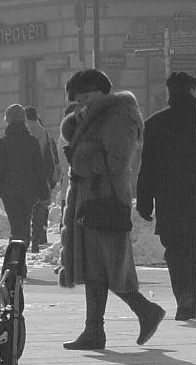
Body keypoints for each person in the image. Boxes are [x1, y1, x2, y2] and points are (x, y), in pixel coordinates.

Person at [59, 69, 165, 350]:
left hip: (106, 200)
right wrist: (77, 128)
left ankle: (145, 311)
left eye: (85, 99)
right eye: (78, 102)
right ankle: (94, 330)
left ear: (99, 92)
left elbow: (116, 162)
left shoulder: (117, 117)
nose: (82, 105)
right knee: (94, 268)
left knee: (110, 266)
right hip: (90, 200)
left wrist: (80, 158)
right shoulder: (96, 116)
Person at [136, 71, 196, 322]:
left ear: (169, 93)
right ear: (192, 91)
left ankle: (184, 295)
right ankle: (192, 302)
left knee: (175, 250)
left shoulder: (155, 123)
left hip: (169, 199)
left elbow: (147, 166)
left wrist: (144, 200)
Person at [0, 104, 49, 258]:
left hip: (10, 190)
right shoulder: (32, 141)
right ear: (24, 120)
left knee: (16, 225)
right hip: (30, 190)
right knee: (25, 221)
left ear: (7, 120)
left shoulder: (4, 142)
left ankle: (16, 257)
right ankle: (20, 256)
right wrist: (44, 191)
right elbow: (39, 168)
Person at [24, 107, 56, 252]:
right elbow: (49, 156)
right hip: (40, 175)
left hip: (25, 175)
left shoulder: (23, 131)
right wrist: (50, 177)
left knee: (25, 209)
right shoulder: (43, 133)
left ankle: (26, 237)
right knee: (39, 208)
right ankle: (37, 237)